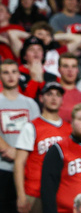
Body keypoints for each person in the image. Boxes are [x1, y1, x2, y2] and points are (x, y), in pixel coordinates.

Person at [14, 82, 70, 213]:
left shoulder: (70, 129)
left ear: (62, 100)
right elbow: (19, 163)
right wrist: (21, 196)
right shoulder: (31, 126)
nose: (54, 98)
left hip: (61, 192)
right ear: (41, 98)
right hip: (34, 192)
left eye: (58, 95)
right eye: (49, 94)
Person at [1, 58, 40, 208]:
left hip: (26, 170)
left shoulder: (30, 103)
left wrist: (19, 157)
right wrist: (8, 149)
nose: (10, 76)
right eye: (5, 73)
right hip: (2, 168)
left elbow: (37, 133)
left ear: (19, 75)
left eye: (13, 72)